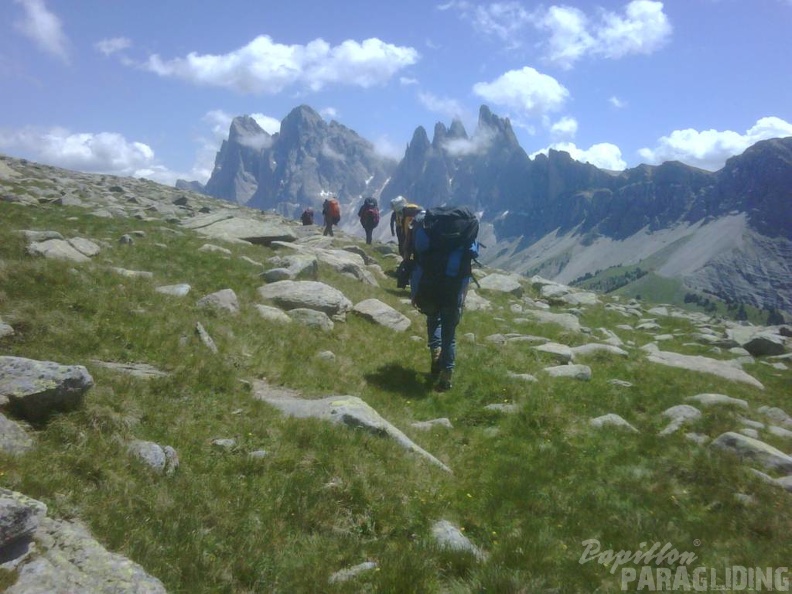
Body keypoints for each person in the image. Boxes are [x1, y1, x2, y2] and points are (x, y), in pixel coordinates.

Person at [409, 207, 479, 392]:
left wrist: (415, 293)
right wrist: (462, 297)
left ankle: (435, 356)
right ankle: (446, 378)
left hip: (431, 288)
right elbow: (467, 269)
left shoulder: (430, 234)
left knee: (433, 320)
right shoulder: (465, 238)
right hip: (453, 291)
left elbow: (419, 265)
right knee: (450, 336)